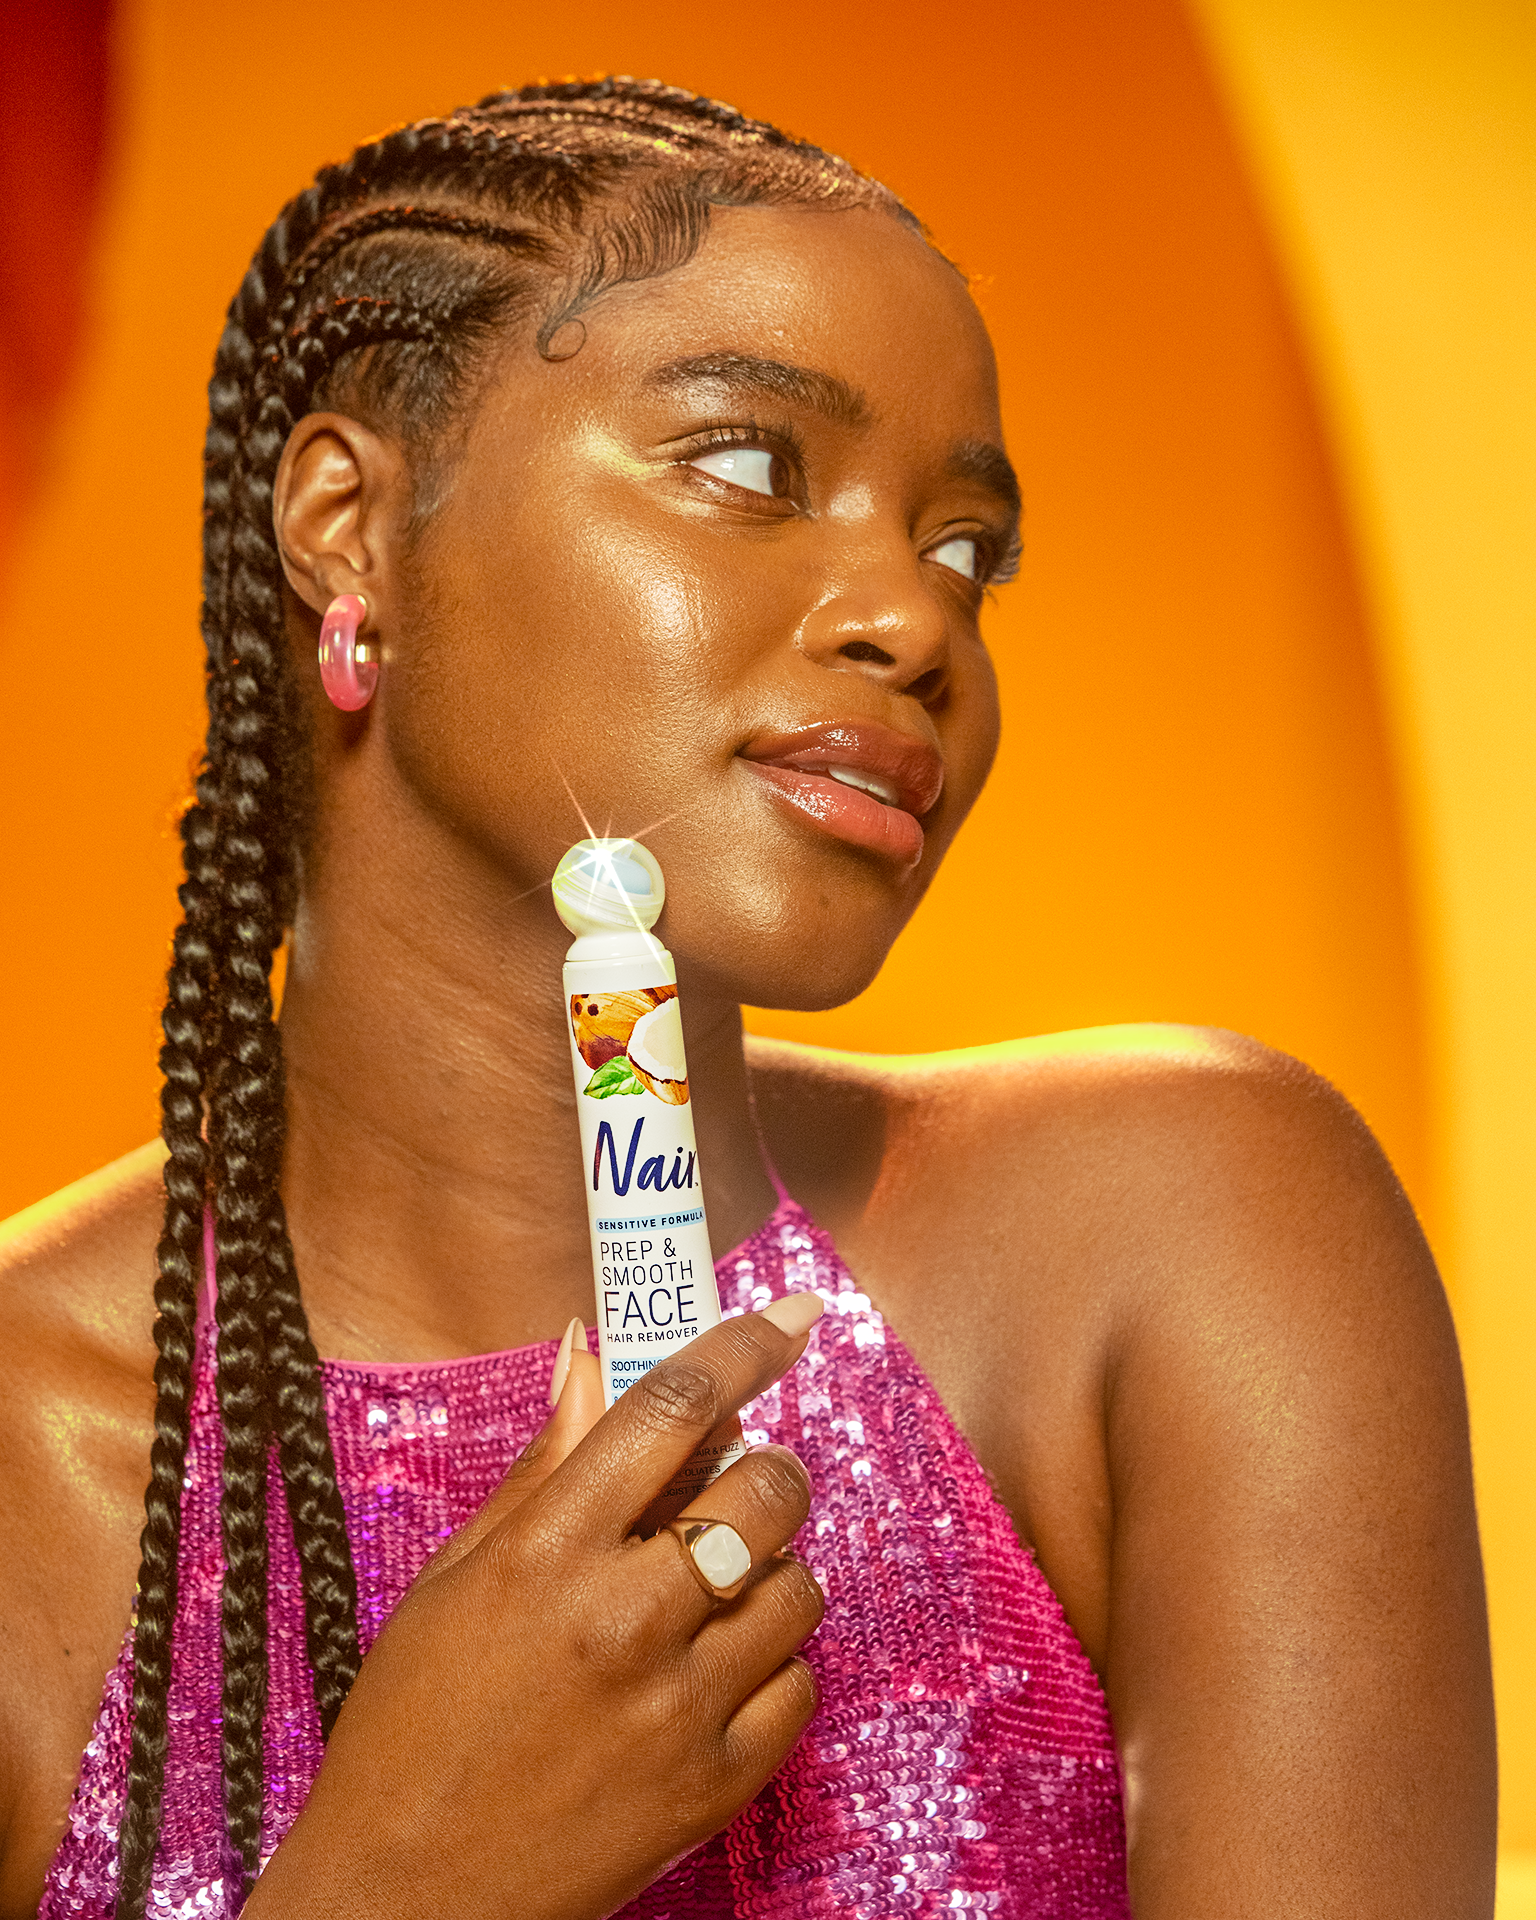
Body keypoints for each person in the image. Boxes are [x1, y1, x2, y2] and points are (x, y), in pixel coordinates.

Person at [0, 77, 1495, 1920]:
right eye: (746, 466)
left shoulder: (1183, 1245)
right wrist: (406, 1872)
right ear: (349, 523)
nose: (914, 621)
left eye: (966, 550)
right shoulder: (26, 1466)